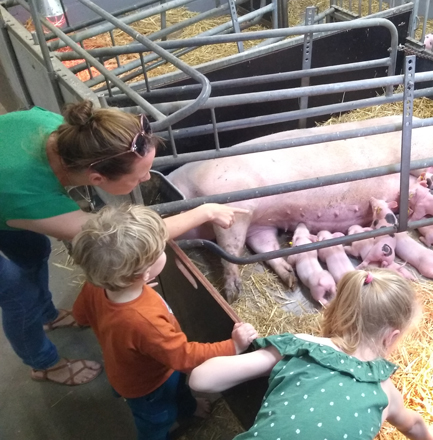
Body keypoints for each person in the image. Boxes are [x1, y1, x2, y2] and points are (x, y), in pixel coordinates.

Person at [0, 101, 248, 386]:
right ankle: (43, 364)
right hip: (9, 192)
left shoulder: (70, 132)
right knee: (18, 296)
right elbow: (127, 238)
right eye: (139, 177)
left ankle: (47, 314)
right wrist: (204, 211)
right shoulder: (30, 200)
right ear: (96, 179)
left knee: (35, 250)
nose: (146, 179)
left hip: (6, 193)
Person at [70, 203, 259, 440]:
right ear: (143, 273)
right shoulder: (143, 320)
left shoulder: (97, 284)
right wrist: (234, 347)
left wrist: (131, 293)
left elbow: (80, 315)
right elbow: (185, 357)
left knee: (179, 389)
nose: (165, 250)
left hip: (135, 367)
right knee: (157, 420)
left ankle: (188, 408)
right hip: (149, 385)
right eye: (161, 250)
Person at [189, 269, 433, 440]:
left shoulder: (298, 346)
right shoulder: (383, 392)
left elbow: (200, 380)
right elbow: (414, 425)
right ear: (392, 337)